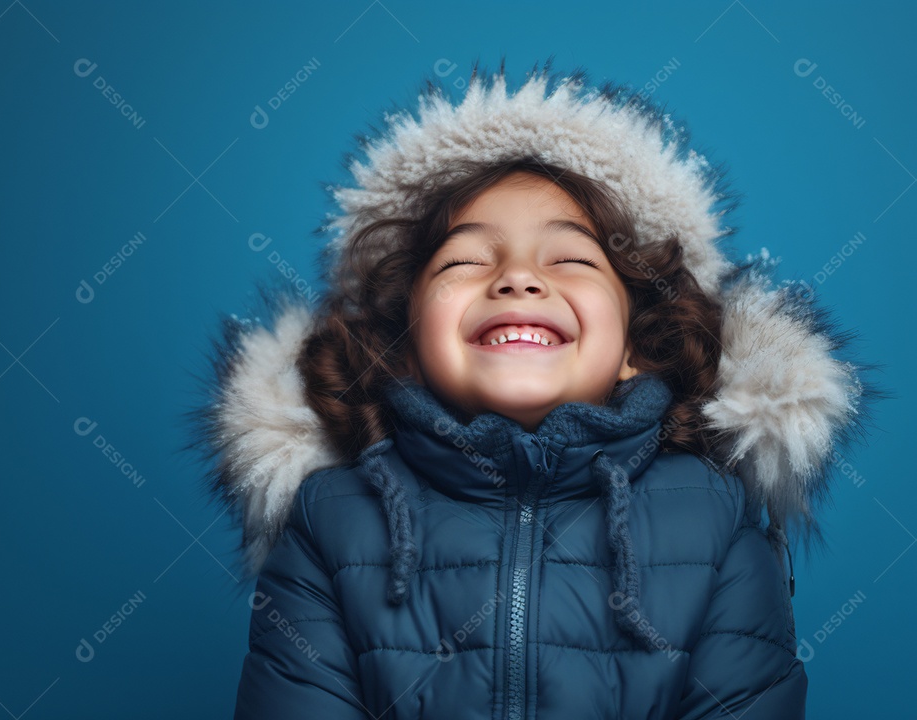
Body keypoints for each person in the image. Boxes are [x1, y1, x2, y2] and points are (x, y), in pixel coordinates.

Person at [187, 61, 880, 719]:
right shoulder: (331, 520)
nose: (517, 279)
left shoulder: (718, 519)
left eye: (571, 258)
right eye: (465, 260)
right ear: (405, 348)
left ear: (638, 346)